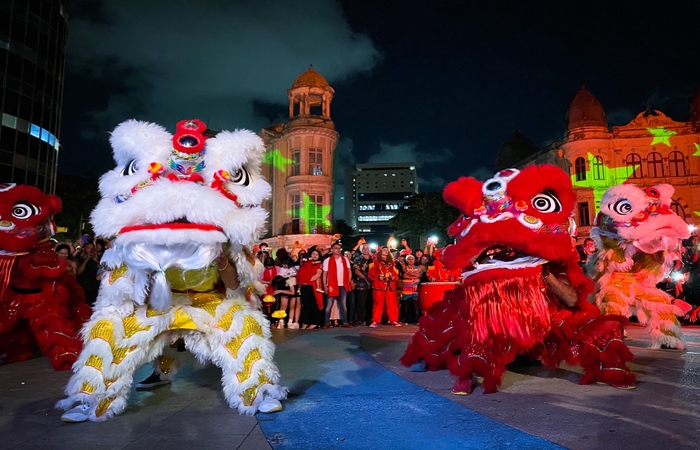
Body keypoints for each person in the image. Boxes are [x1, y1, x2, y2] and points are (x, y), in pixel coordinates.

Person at [368, 246, 400, 327]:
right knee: (378, 304)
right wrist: (378, 277)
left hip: (390, 285)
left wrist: (394, 277)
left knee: (392, 304)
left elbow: (396, 274)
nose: (386, 251)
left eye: (387, 250)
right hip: (379, 285)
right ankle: (375, 320)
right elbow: (370, 274)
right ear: (380, 252)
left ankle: (394, 320)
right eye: (384, 250)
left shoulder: (392, 263)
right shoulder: (374, 262)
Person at [322, 242, 352, 328]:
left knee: (343, 303)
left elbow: (349, 271)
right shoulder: (327, 260)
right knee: (329, 304)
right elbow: (324, 274)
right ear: (331, 250)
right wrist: (325, 286)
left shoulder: (345, 259)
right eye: (336, 248)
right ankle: (326, 322)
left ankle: (344, 321)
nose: (338, 250)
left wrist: (348, 281)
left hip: (342, 284)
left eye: (339, 248)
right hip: (331, 284)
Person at [297, 249, 324, 329]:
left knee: (314, 304)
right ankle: (305, 322)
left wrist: (307, 281)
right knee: (306, 305)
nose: (315, 256)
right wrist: (302, 282)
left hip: (313, 286)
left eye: (317, 254)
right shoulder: (305, 264)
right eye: (313, 254)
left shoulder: (319, 264)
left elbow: (317, 275)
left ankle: (315, 322)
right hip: (304, 286)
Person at [353, 244, 373, 325]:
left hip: (373, 284)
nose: (365, 250)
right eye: (363, 248)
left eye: (367, 248)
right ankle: (360, 319)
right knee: (361, 302)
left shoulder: (373, 259)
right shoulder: (357, 259)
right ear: (361, 250)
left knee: (370, 302)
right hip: (361, 284)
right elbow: (356, 271)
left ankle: (369, 319)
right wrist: (366, 279)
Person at [399, 255, 423, 324]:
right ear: (406, 260)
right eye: (409, 259)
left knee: (416, 303)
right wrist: (413, 275)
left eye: (412, 259)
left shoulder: (418, 267)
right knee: (407, 303)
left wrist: (409, 274)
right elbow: (404, 276)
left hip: (415, 287)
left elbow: (418, 275)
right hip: (406, 288)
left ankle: (416, 318)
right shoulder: (405, 267)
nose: (410, 260)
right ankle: (406, 318)